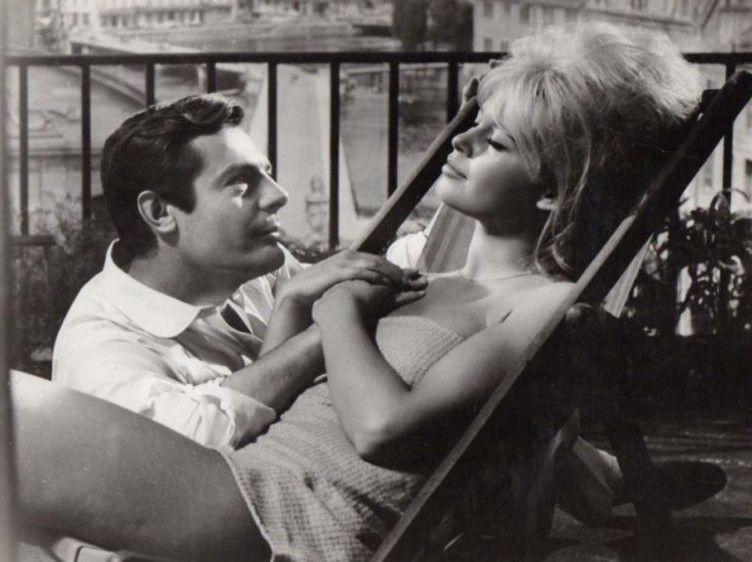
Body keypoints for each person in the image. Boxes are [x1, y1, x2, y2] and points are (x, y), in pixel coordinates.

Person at [14, 22, 705, 561]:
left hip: (281, 518)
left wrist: (337, 307)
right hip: (238, 480)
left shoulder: (541, 305)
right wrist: (304, 306)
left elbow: (381, 428)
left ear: (553, 189)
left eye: (495, 142)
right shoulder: (427, 276)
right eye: (473, 124)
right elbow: (281, 406)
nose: (461, 141)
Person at [51, 94, 425, 449]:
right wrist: (316, 323)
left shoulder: (247, 264)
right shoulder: (100, 352)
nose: (279, 195)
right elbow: (203, 448)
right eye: (241, 184)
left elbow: (360, 282)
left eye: (268, 174)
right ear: (160, 213)